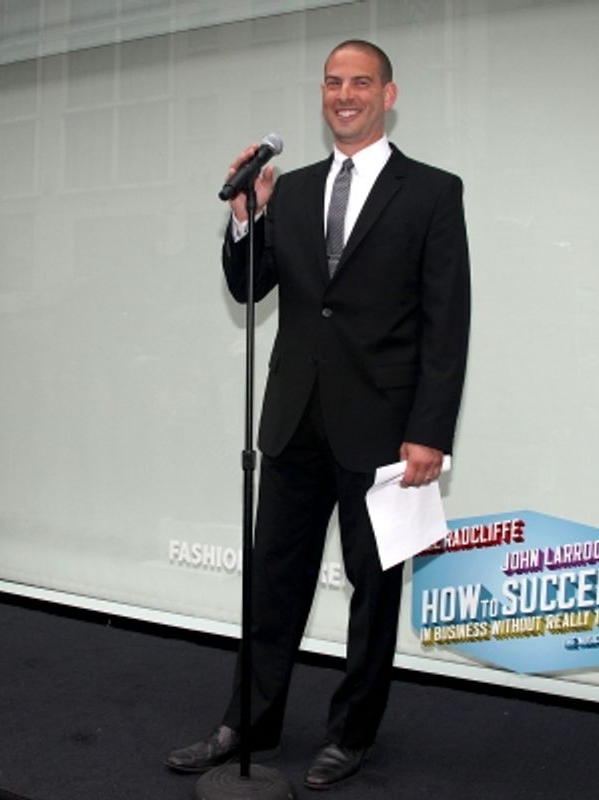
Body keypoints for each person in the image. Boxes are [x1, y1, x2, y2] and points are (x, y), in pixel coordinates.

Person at [166, 39, 471, 790]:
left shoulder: (432, 191)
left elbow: (448, 318)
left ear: (388, 94)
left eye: (360, 82)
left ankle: (352, 732)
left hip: (385, 428)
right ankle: (249, 724)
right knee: (274, 581)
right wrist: (246, 219)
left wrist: (429, 430)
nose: (345, 93)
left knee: (374, 591)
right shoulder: (289, 189)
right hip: (295, 417)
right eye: (334, 82)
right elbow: (249, 288)